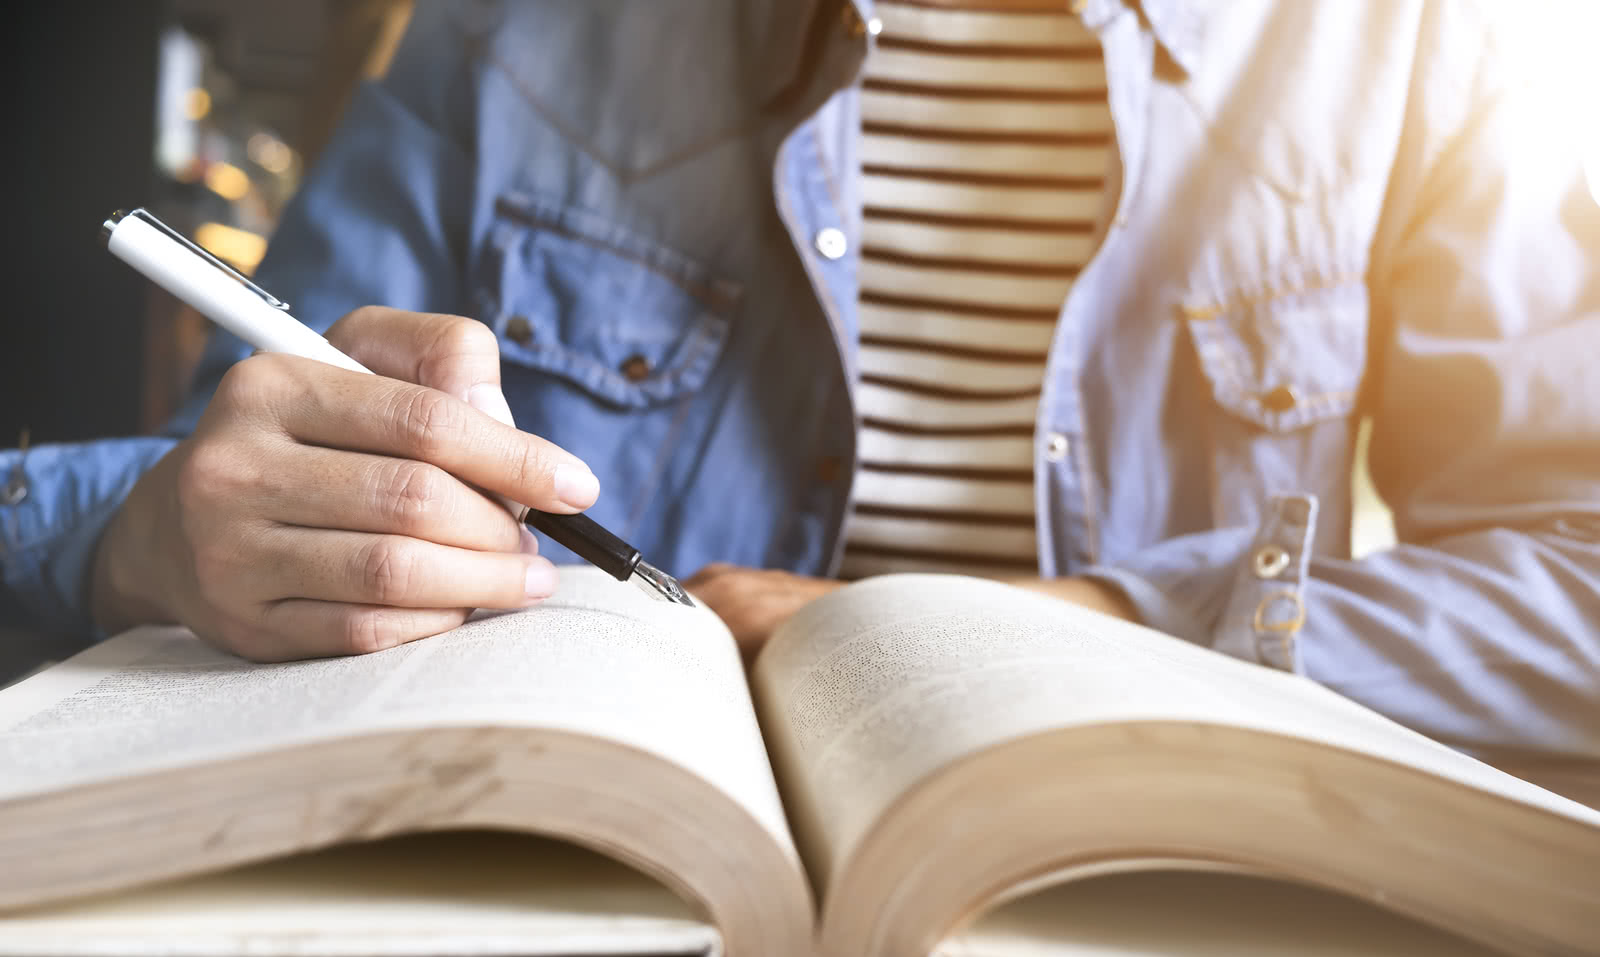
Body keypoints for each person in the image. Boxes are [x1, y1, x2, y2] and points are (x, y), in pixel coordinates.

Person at [3, 0, 1597, 778]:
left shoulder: (1423, 41)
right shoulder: (520, 26)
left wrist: (1094, 623)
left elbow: (1575, 582)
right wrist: (157, 537)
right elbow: (218, 471)